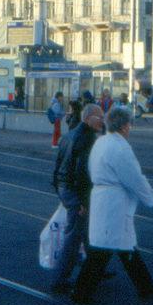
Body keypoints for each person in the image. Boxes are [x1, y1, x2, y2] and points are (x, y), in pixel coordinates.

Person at [72, 107, 153, 304]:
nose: (130, 128)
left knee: (125, 245)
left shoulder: (101, 142)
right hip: (114, 203)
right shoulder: (120, 148)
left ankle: (145, 286)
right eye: (129, 124)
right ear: (123, 126)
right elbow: (134, 178)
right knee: (102, 249)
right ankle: (81, 293)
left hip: (104, 199)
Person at [50, 103, 104, 294]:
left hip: (65, 187)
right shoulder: (87, 138)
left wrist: (58, 187)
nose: (102, 121)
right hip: (75, 191)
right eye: (99, 118)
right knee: (74, 237)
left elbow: (59, 163)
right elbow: (82, 172)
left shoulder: (70, 134)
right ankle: (60, 279)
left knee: (87, 232)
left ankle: (96, 268)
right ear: (88, 119)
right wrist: (82, 200)